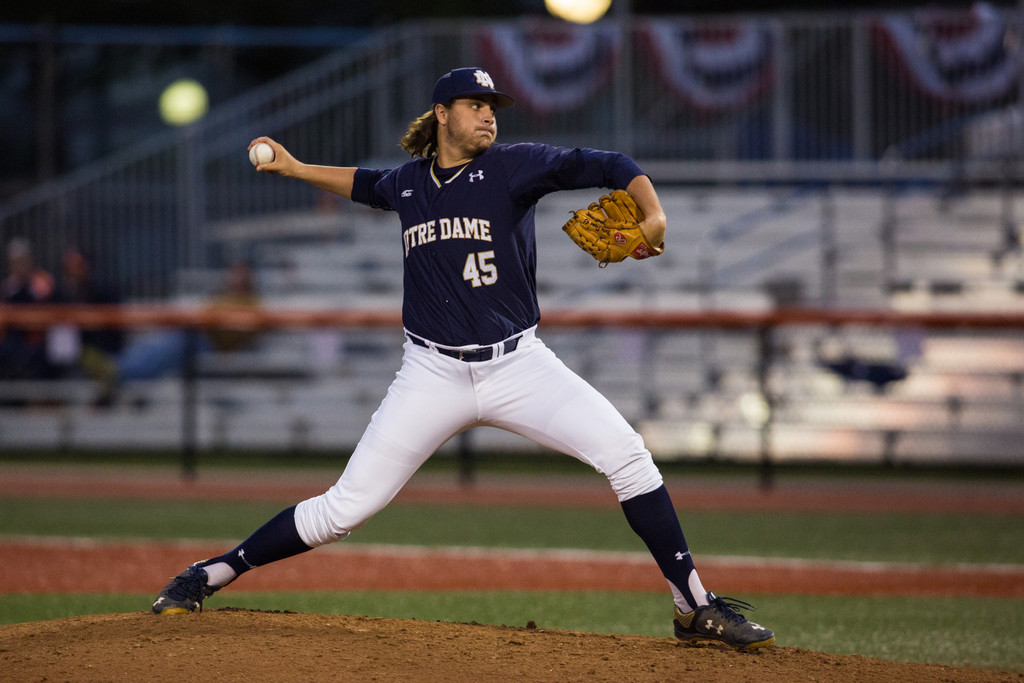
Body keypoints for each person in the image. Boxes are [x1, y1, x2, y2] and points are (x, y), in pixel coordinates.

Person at [152, 67, 775, 650]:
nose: (488, 116)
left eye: (493, 107)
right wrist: (293, 169)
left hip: (519, 365)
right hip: (430, 373)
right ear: (442, 114)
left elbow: (610, 163)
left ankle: (694, 605)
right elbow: (365, 185)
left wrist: (653, 213)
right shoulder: (408, 183)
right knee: (344, 508)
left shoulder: (513, 168)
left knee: (629, 456)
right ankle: (211, 573)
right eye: (475, 106)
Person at [95, 261, 262, 405]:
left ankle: (119, 370)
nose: (236, 278)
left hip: (211, 343)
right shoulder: (224, 296)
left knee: (169, 348)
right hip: (197, 333)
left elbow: (241, 329)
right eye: (235, 273)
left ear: (249, 278)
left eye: (241, 274)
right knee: (158, 344)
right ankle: (120, 368)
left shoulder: (252, 303)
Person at [0, 238, 56, 380]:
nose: (19, 266)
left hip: (42, 340)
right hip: (15, 341)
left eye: (22, 261)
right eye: (15, 262)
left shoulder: (42, 282)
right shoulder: (8, 287)